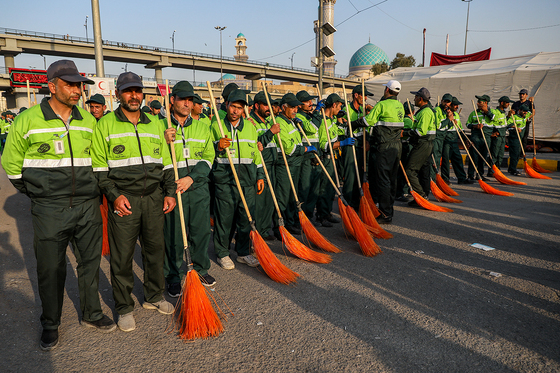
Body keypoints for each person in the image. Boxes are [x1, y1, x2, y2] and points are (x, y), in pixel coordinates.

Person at [1, 60, 116, 351]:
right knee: (51, 268)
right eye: (70, 84)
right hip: (49, 209)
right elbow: (12, 165)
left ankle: (91, 313)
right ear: (52, 86)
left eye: (79, 84)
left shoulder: (88, 121)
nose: (77, 90)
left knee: (89, 263)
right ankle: (50, 323)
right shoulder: (28, 120)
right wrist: (39, 193)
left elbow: (99, 160)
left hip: (87, 206)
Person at [91, 71, 176, 332]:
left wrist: (170, 191)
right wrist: (114, 197)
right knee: (122, 257)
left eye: (137, 91)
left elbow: (168, 163)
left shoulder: (156, 124)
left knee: (154, 252)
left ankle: (153, 296)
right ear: (117, 94)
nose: (134, 95)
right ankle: (124, 307)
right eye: (128, 91)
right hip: (124, 201)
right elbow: (99, 168)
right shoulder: (105, 125)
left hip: (153, 199)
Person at [161, 81, 216, 295]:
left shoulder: (202, 126)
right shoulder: (161, 126)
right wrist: (165, 140)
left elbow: (208, 156)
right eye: (182, 98)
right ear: (172, 100)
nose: (186, 103)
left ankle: (201, 269)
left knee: (201, 232)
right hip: (174, 188)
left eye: (190, 100)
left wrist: (192, 178)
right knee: (174, 235)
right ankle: (172, 275)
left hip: (198, 187)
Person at [210, 89, 263, 269]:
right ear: (227, 105)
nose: (235, 111)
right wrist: (217, 146)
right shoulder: (216, 125)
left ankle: (243, 252)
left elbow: (255, 155)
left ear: (244, 110)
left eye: (239, 108)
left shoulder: (250, 127)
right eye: (233, 106)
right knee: (224, 219)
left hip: (247, 181)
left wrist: (260, 176)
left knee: (245, 219)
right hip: (225, 180)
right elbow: (206, 152)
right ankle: (222, 253)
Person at [359, 80, 404, 223]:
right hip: (396, 146)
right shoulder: (400, 106)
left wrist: (353, 123)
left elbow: (368, 122)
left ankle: (385, 213)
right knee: (391, 179)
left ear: (386, 89)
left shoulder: (382, 105)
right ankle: (389, 210)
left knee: (383, 179)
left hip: (384, 146)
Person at [273, 93, 316, 238]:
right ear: (283, 107)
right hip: (286, 165)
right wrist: (305, 149)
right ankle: (280, 227)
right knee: (283, 197)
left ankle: (290, 223)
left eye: (296, 107)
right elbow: (289, 149)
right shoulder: (279, 122)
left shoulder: (291, 121)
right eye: (292, 107)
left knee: (293, 196)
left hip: (295, 164)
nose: (295, 110)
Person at [246, 91, 280, 240]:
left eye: (270, 105)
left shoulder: (267, 121)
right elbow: (257, 144)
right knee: (259, 202)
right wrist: (270, 133)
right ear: (256, 106)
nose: (269, 108)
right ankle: (257, 231)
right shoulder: (251, 122)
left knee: (269, 201)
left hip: (272, 166)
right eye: (265, 105)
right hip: (260, 166)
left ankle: (265, 230)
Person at [317, 93, 352, 223]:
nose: (340, 109)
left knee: (331, 189)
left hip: (334, 158)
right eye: (339, 106)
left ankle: (327, 213)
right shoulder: (322, 121)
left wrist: (347, 126)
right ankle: (321, 215)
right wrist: (342, 143)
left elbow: (337, 132)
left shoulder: (332, 120)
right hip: (326, 158)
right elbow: (324, 145)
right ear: (333, 105)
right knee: (324, 188)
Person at [295, 90, 328, 226]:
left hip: (315, 156)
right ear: (299, 104)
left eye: (311, 101)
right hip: (305, 157)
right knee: (304, 190)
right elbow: (312, 128)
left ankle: (309, 217)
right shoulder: (299, 116)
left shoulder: (310, 115)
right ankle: (301, 220)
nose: (311, 103)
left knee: (314, 190)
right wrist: (318, 111)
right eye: (307, 101)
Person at [340, 85, 373, 210]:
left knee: (359, 174)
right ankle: (347, 204)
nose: (365, 98)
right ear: (356, 95)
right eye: (363, 95)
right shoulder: (346, 109)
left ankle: (355, 202)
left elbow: (365, 128)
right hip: (349, 144)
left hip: (361, 144)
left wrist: (367, 141)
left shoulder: (362, 110)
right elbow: (342, 128)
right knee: (350, 175)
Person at [405, 88, 436, 204]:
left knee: (409, 170)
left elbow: (420, 132)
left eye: (416, 97)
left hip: (423, 144)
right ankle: (421, 197)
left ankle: (422, 196)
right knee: (423, 171)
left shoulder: (425, 112)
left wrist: (406, 133)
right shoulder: (424, 111)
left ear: (421, 99)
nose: (414, 99)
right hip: (425, 144)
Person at [441, 97, 473, 184]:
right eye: (455, 105)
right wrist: (450, 121)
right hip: (446, 141)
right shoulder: (445, 115)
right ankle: (445, 179)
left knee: (458, 159)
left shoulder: (457, 115)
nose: (457, 107)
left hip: (454, 140)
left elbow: (460, 129)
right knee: (446, 161)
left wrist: (466, 139)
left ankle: (462, 178)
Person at [465, 95, 494, 181]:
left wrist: (486, 112)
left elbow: (493, 119)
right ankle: (470, 175)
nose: (477, 104)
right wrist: (475, 126)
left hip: (486, 137)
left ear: (486, 103)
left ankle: (480, 175)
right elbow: (467, 124)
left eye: (480, 102)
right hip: (476, 137)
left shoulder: (492, 112)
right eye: (477, 102)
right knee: (473, 156)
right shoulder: (474, 113)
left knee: (483, 157)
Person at [396, 101, 415, 201]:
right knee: (403, 170)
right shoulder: (409, 121)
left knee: (399, 170)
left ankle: (399, 191)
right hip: (405, 146)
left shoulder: (400, 119)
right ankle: (402, 191)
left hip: (398, 145)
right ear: (413, 111)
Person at [490, 96, 514, 173]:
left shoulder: (503, 113)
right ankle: (491, 171)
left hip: (503, 136)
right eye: (507, 102)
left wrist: (509, 116)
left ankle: (498, 170)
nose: (508, 104)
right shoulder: (495, 112)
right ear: (502, 103)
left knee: (500, 155)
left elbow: (504, 124)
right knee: (494, 155)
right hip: (497, 137)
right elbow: (490, 123)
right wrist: (493, 133)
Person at [432, 93, 453, 179]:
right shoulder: (437, 110)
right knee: (435, 159)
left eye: (448, 102)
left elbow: (448, 126)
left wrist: (451, 119)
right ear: (441, 101)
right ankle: (432, 179)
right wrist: (448, 119)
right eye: (445, 101)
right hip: (436, 138)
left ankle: (437, 179)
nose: (446, 104)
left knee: (440, 159)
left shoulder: (447, 112)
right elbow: (438, 126)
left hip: (442, 138)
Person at [507, 103, 529, 176]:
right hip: (514, 138)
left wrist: (531, 102)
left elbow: (532, 113)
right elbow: (508, 124)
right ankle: (513, 170)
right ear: (519, 110)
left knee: (517, 154)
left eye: (526, 111)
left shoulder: (525, 117)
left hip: (520, 138)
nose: (525, 112)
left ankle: (511, 168)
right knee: (515, 154)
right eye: (523, 111)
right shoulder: (514, 117)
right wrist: (515, 127)